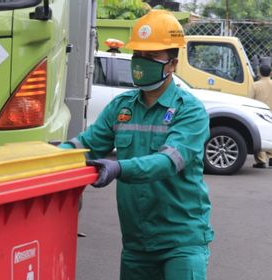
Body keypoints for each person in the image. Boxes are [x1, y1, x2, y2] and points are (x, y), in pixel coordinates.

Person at [60, 10, 213, 280]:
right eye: (138, 56)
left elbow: (169, 162)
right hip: (136, 242)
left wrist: (119, 168)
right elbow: (87, 145)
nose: (141, 63)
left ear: (172, 64)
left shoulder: (189, 111)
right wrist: (53, 156)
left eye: (151, 57)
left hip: (181, 241)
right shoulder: (122, 108)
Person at [251, 64, 272, 168]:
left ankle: (261, 160)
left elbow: (249, 100)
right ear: (271, 73)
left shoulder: (255, 85)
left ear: (259, 73)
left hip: (259, 114)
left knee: (260, 136)